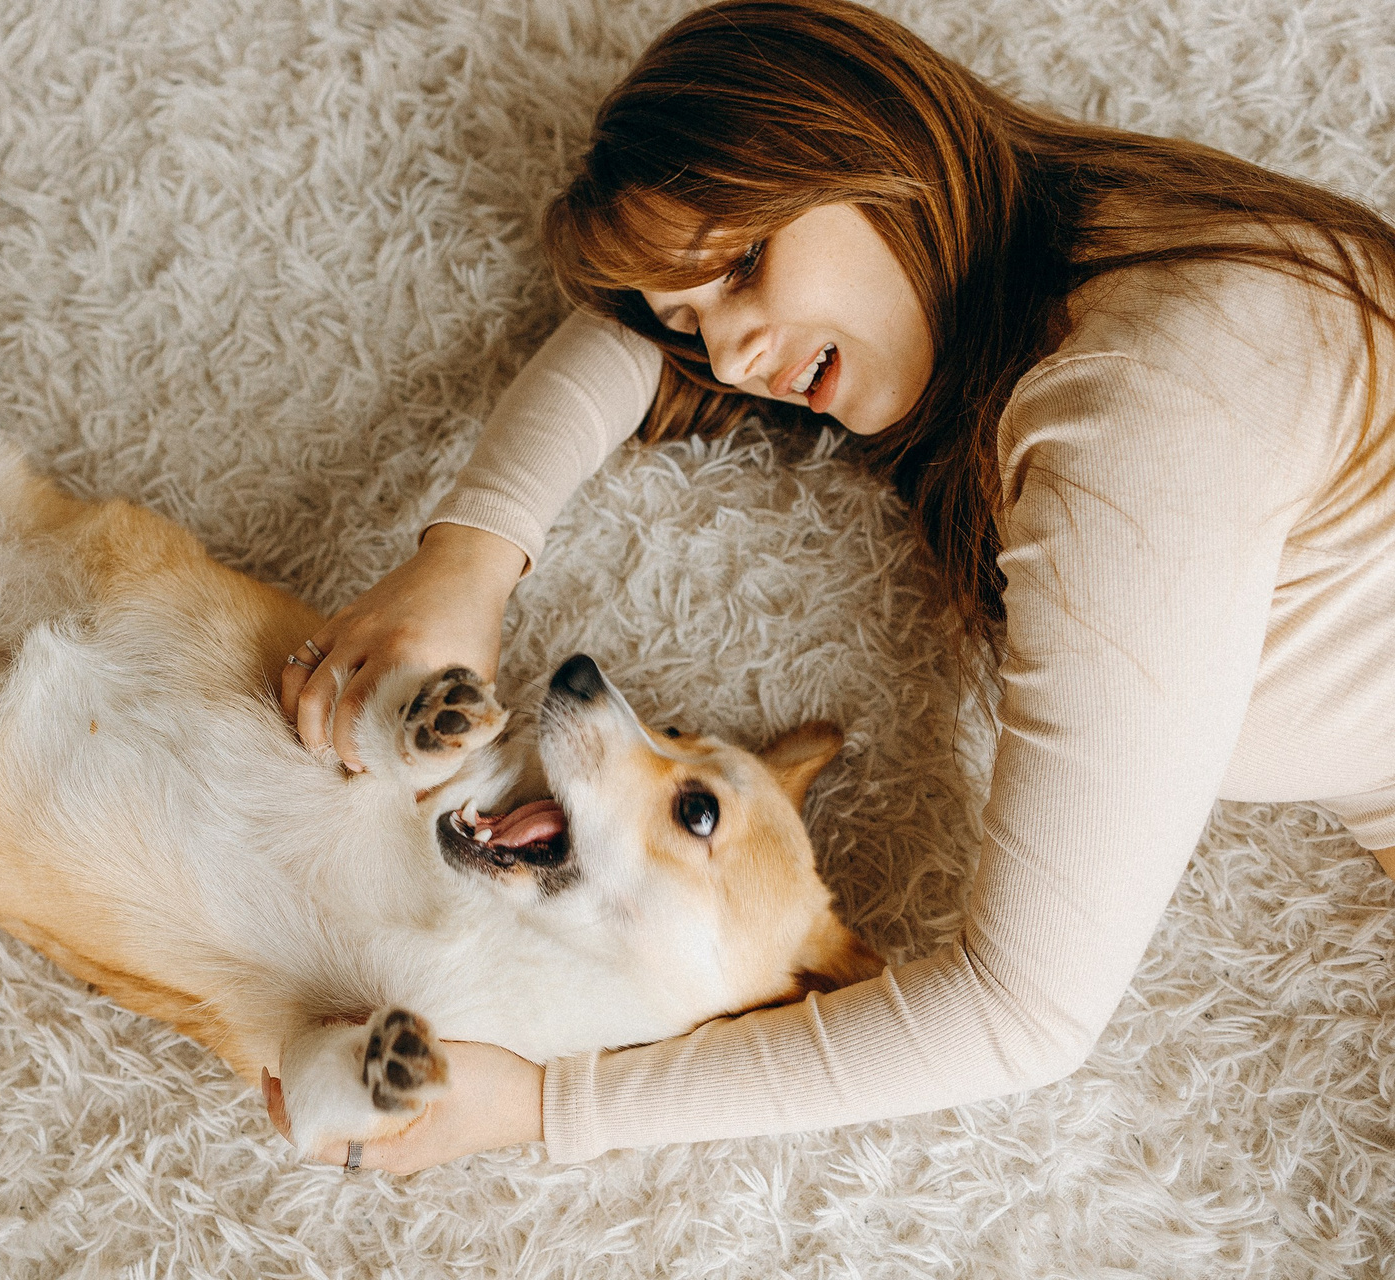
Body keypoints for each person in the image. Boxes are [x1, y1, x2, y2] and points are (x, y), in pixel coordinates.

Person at [263, 0, 1395, 1173]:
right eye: (695, 317)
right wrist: (468, 556)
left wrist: (552, 1105)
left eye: (745, 264)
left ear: (873, 151)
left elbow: (1023, 1010)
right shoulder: (1044, 244)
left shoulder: (1138, 425)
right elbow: (630, 343)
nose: (733, 356)